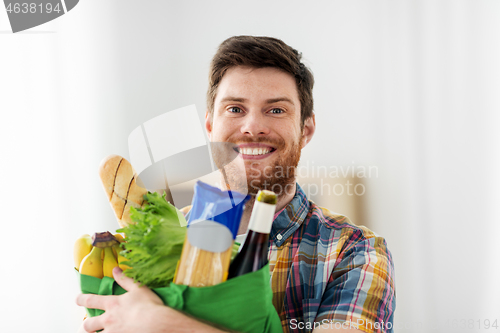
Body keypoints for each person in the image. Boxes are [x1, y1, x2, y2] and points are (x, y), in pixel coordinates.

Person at [76, 35, 396, 333]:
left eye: (276, 109)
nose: (252, 126)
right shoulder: (150, 242)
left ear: (306, 130)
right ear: (210, 125)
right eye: (235, 108)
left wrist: (163, 322)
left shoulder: (354, 251)